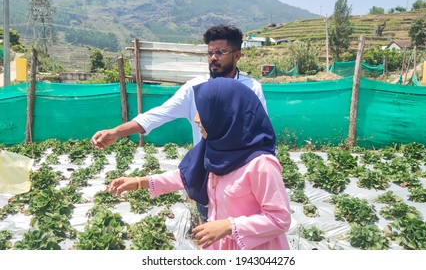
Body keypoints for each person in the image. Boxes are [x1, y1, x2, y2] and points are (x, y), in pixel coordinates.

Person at [91, 24, 267, 223]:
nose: (213, 58)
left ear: (237, 56)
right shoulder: (195, 88)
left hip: (241, 179)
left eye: (220, 52)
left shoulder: (251, 89)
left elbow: (258, 135)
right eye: (210, 53)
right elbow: (158, 114)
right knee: (211, 232)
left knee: (240, 233)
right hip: (207, 175)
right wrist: (116, 132)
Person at [108, 78, 291, 250]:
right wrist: (140, 182)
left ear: (226, 116)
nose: (196, 119)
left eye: (204, 112)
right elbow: (186, 175)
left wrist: (229, 226)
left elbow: (280, 219)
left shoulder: (261, 164)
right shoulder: (214, 149)